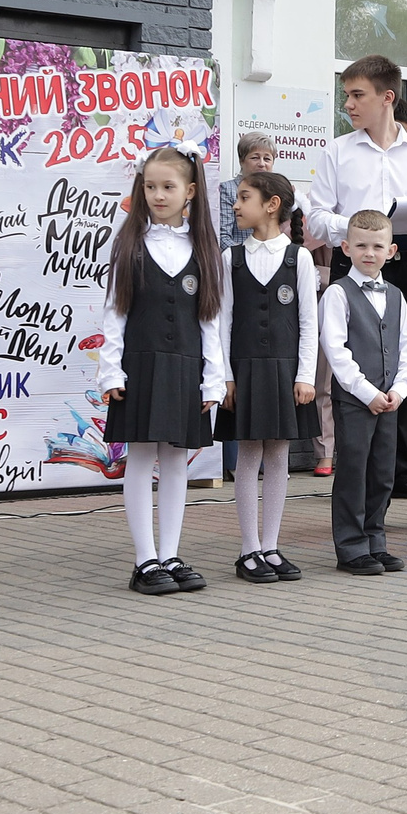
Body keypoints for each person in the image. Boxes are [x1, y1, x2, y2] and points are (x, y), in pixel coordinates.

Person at [302, 55, 407, 527]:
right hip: (355, 272)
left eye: (357, 95)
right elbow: (316, 219)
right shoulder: (338, 151)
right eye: (346, 95)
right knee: (361, 382)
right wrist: (366, 229)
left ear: (388, 98)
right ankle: (366, 510)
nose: (348, 104)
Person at [97, 145, 228, 593]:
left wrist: (213, 377)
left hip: (187, 368)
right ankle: (144, 560)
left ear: (189, 191)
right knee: (141, 457)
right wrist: (111, 372)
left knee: (176, 462)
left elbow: (211, 319)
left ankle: (170, 555)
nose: (157, 194)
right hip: (141, 365)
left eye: (167, 186)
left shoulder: (204, 248)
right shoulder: (130, 244)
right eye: (149, 186)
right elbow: (114, 313)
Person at [217, 167, 315, 583]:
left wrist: (305, 374)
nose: (236, 205)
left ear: (271, 205)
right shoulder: (231, 258)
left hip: (285, 370)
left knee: (278, 455)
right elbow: (222, 321)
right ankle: (248, 549)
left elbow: (308, 322)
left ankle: (271, 546)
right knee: (248, 454)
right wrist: (224, 376)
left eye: (244, 197)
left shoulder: (300, 258)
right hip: (243, 369)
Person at [323, 211, 407, 574]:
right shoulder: (337, 293)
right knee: (353, 471)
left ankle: (376, 539)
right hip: (355, 400)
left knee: (382, 473)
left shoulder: (396, 295)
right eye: (360, 245)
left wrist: (400, 389)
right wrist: (366, 392)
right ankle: (350, 546)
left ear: (391, 251)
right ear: (346, 248)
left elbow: (406, 346)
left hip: (390, 400)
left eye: (378, 246)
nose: (369, 253)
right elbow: (335, 349)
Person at [217, 132, 277, 242]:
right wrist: (244, 257)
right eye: (255, 158)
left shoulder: (276, 194)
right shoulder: (227, 189)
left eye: (267, 159)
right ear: (241, 161)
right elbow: (223, 236)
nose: (262, 164)